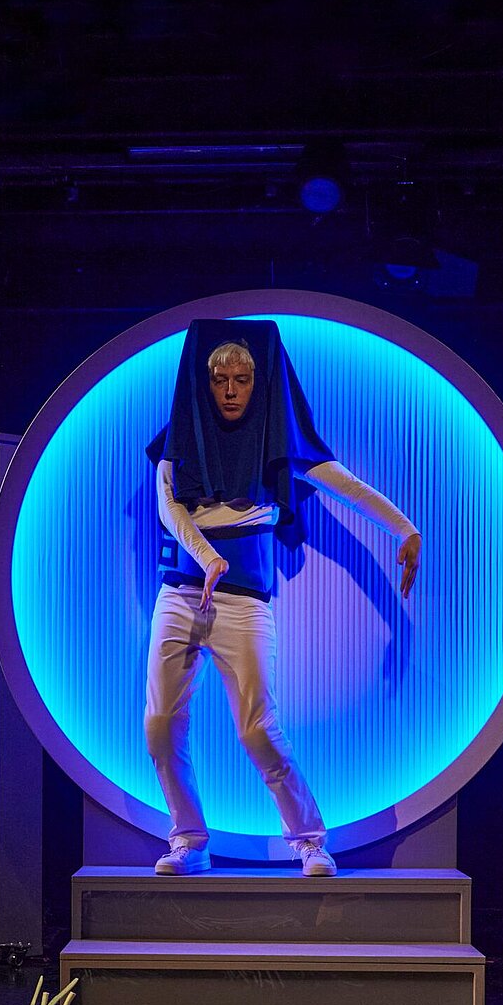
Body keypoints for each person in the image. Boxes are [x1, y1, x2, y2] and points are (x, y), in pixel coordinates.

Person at [145, 319, 422, 878]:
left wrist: (405, 528)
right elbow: (168, 505)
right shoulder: (182, 435)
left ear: (260, 382)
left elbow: (348, 486)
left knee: (257, 729)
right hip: (180, 596)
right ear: (204, 382)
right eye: (220, 379)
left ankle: (309, 841)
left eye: (242, 379)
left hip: (244, 603)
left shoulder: (277, 440)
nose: (230, 390)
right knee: (160, 727)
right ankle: (190, 841)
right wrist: (207, 556)